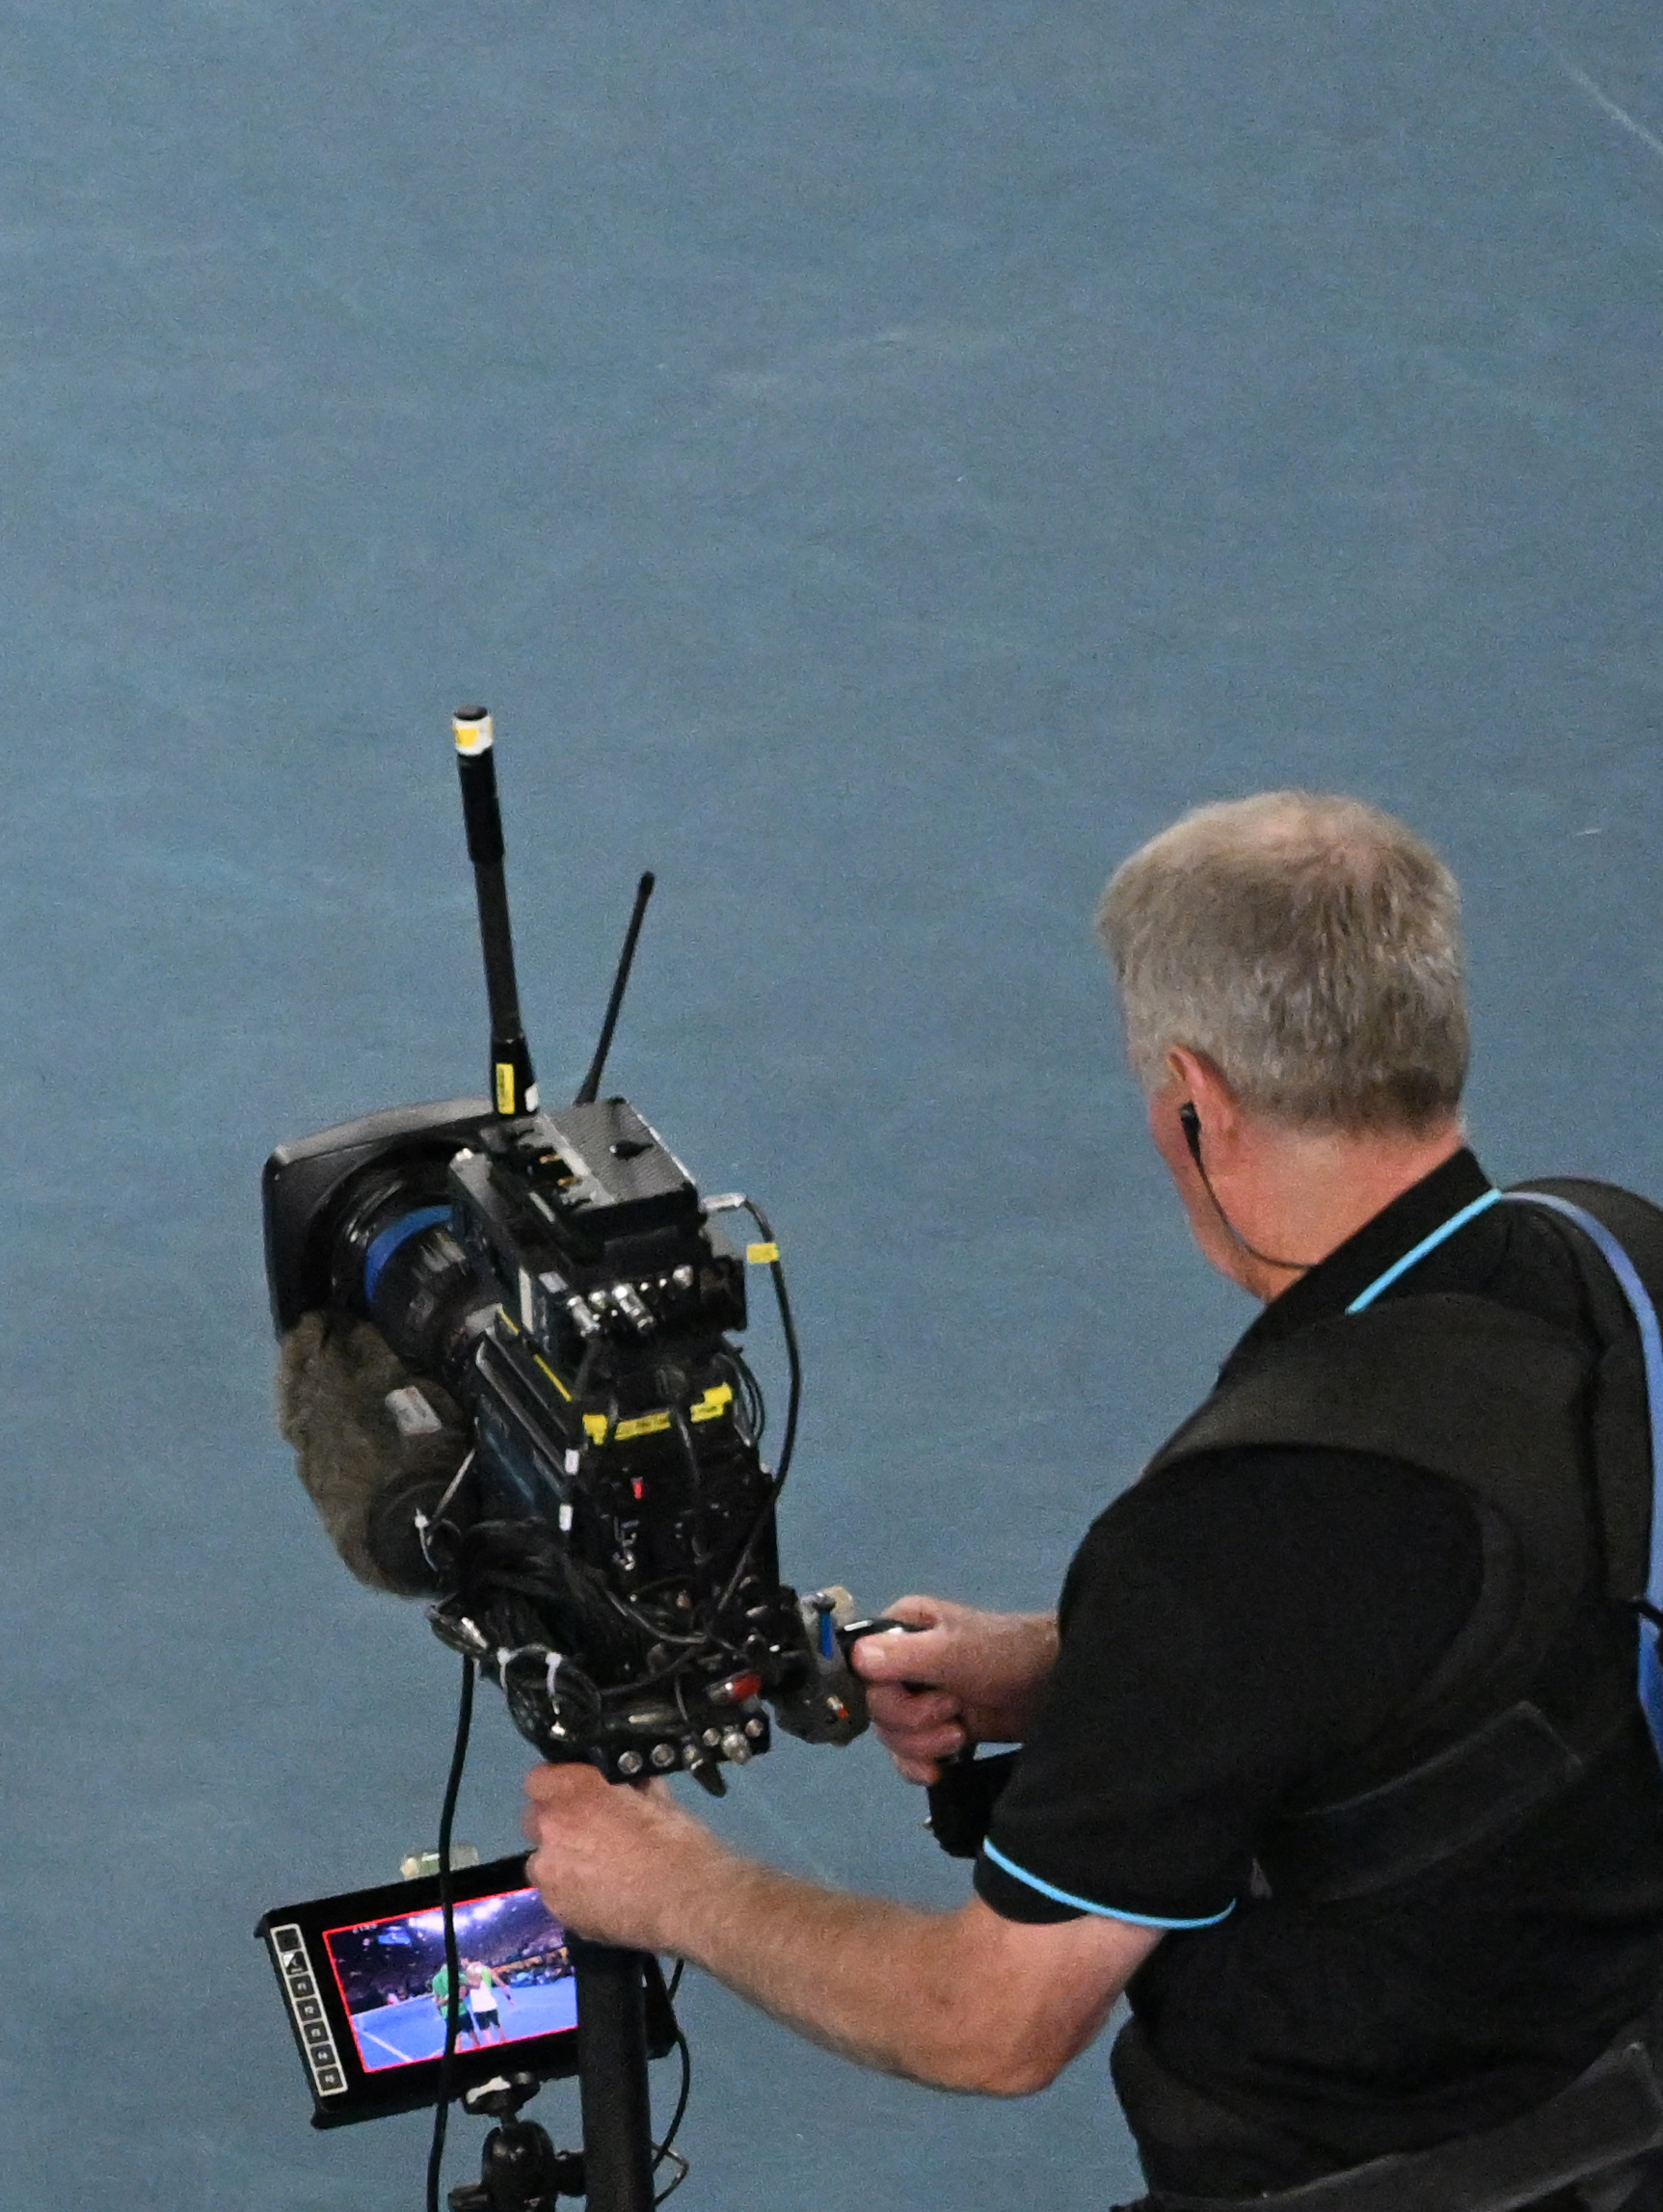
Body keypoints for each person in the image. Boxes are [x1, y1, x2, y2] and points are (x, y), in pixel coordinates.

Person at [522, 795, 1663, 2208]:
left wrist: (669, 1888)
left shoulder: (1236, 1531)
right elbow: (1498, 1611)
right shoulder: (1611, 1257)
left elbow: (990, 2024)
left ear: (1195, 1098)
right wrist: (1075, 1676)